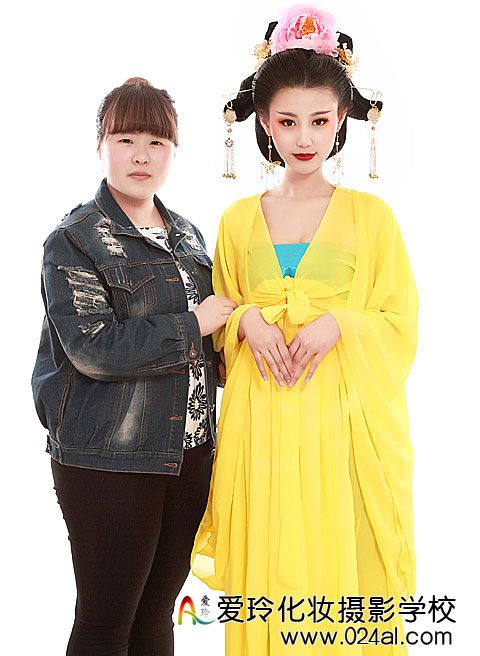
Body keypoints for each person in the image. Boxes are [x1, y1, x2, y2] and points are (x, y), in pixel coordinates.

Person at [190, 6, 419, 656]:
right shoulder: (237, 221)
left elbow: (400, 324)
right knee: (269, 564)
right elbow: (218, 319)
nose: (304, 137)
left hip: (341, 422)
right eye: (287, 121)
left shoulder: (372, 218)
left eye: (319, 120)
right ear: (264, 122)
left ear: (342, 119)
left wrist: (340, 323)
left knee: (338, 564)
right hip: (261, 420)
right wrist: (245, 319)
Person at [31, 76, 236, 656]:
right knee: (105, 625)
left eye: (156, 142)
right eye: (126, 140)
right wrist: (192, 326)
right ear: (101, 146)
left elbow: (210, 339)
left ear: (173, 150)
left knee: (155, 620)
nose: (141, 155)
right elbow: (92, 347)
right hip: (110, 457)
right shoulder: (75, 240)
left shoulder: (188, 235)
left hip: (189, 452)